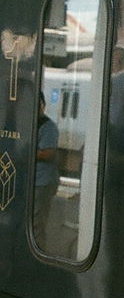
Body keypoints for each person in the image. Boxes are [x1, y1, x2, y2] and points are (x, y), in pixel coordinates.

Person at [34, 94, 59, 250]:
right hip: (30, 180)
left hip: (42, 182)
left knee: (36, 224)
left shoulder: (48, 127)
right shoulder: (28, 124)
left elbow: (48, 153)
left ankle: (38, 255)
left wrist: (25, 151)